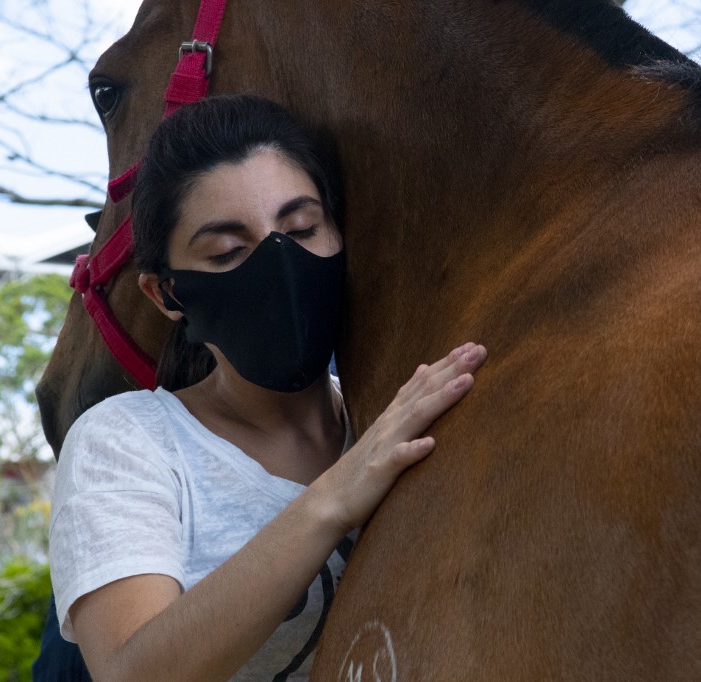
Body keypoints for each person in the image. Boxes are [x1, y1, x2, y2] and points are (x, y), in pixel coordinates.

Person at [47, 94, 487, 680]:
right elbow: (132, 671)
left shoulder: (401, 415)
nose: (281, 263)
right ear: (168, 294)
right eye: (229, 251)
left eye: (302, 228)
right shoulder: (127, 442)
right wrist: (333, 499)